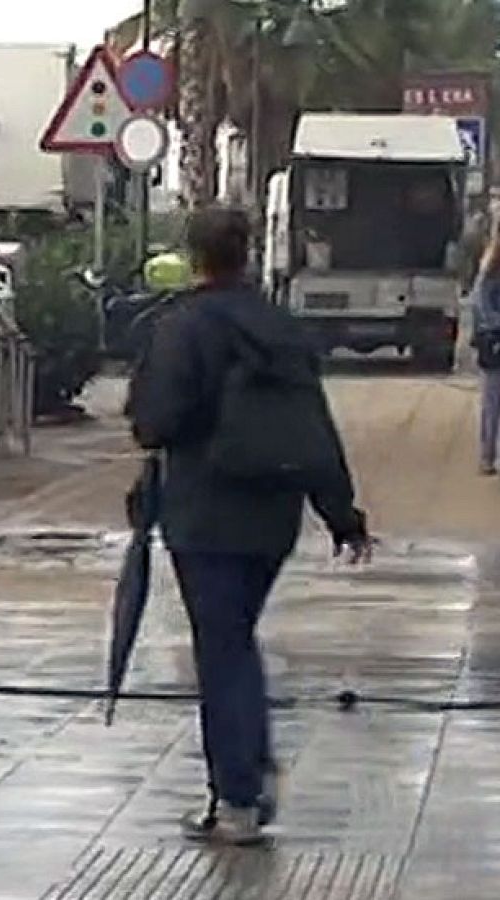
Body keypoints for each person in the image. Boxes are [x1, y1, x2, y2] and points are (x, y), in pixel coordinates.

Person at [126, 206, 373, 846]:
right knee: (236, 637)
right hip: (272, 517)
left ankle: (238, 795)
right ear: (247, 255)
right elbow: (315, 429)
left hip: (204, 512)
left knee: (222, 646)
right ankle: (249, 769)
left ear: (195, 257)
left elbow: (154, 421)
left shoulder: (183, 327)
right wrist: (342, 517)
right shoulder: (282, 329)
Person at [470, 217, 500, 475]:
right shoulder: (491, 269)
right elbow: (480, 303)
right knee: (493, 401)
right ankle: (487, 456)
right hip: (496, 342)